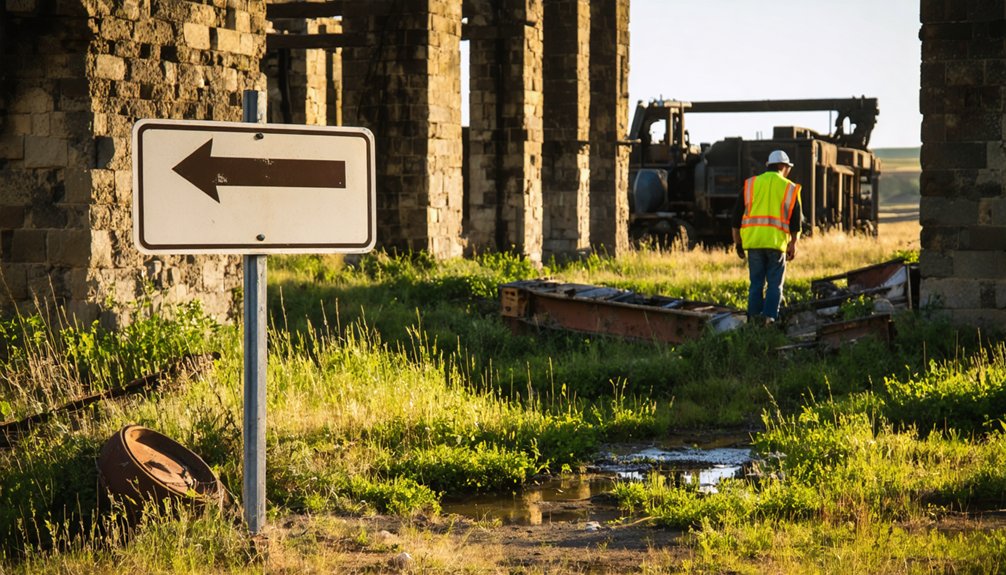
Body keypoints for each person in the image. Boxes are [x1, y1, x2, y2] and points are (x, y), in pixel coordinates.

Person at [731, 150, 803, 324]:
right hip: (777, 245)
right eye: (788, 167)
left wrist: (738, 243)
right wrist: (793, 244)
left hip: (754, 244)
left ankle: (753, 321)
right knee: (774, 285)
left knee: (756, 284)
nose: (788, 171)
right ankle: (769, 320)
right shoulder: (790, 188)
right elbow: (795, 224)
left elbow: (735, 218)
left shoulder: (750, 185)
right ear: (782, 167)